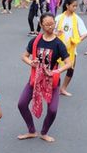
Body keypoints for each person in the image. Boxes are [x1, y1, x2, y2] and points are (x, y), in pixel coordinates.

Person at [16, 13, 72, 142]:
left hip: (52, 81)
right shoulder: (35, 41)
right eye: (46, 24)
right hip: (36, 79)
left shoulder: (59, 44)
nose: (50, 27)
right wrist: (31, 62)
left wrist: (56, 71)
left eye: (52, 24)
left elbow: (69, 63)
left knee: (52, 110)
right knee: (22, 104)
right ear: (41, 25)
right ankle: (31, 131)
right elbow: (24, 56)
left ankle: (44, 132)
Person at [55, 0, 87, 97]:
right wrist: (56, 33)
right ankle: (54, 87)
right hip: (57, 48)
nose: (75, 8)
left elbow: (85, 33)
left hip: (71, 49)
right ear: (67, 6)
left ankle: (63, 88)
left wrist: (76, 40)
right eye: (73, 6)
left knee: (70, 69)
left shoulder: (77, 19)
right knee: (55, 68)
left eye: (76, 6)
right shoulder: (58, 18)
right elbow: (50, 30)